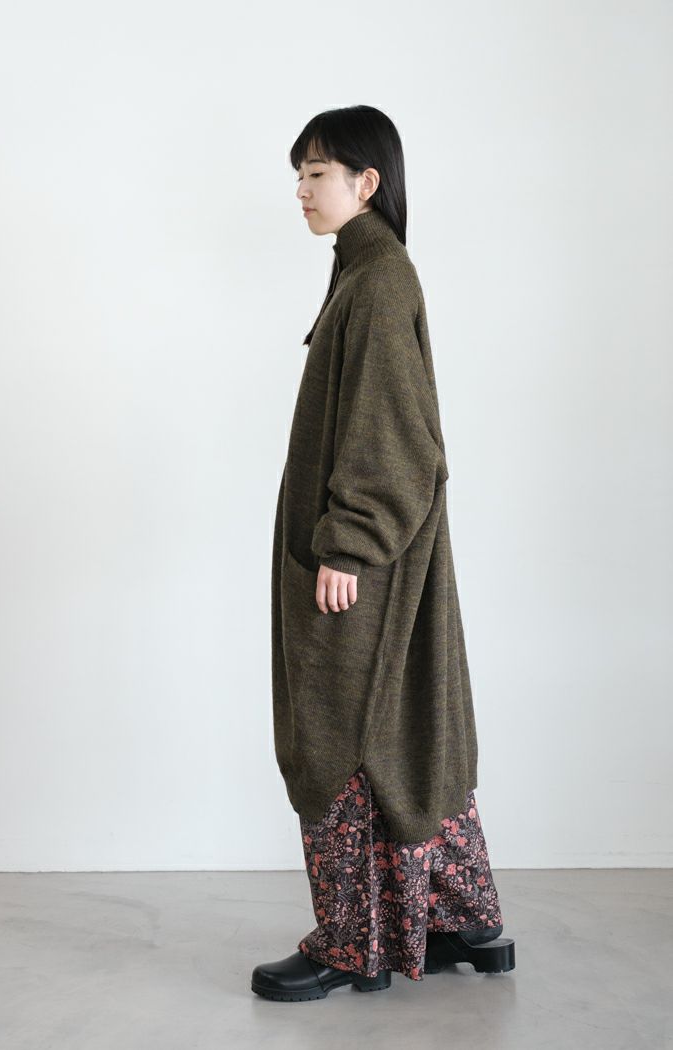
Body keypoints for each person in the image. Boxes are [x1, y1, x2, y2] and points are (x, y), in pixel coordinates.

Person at [251, 105, 515, 1002]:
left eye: (316, 172)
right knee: (407, 730)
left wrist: (349, 545)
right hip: (383, 561)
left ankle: (351, 944)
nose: (301, 189)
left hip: (364, 564)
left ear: (367, 183)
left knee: (346, 737)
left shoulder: (378, 280)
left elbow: (398, 436)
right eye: (298, 174)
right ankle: (459, 921)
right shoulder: (365, 273)